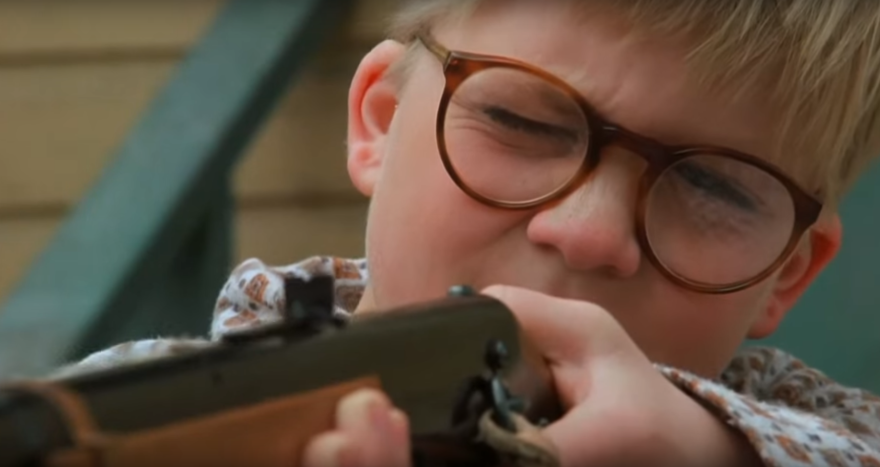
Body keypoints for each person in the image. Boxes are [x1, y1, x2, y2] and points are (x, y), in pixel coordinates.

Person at [54, 0, 880, 466]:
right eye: (521, 120)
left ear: (787, 273)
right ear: (378, 120)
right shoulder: (124, 405)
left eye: (711, 188)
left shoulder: (794, 428)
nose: (590, 234)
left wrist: (702, 453)